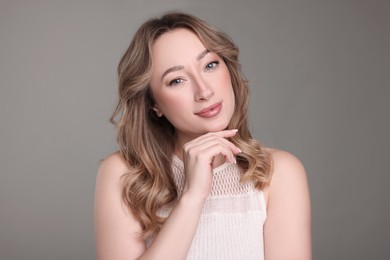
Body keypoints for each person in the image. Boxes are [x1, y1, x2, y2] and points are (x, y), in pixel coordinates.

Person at [94, 12, 311, 260]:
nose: (204, 91)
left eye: (210, 65)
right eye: (177, 80)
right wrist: (191, 198)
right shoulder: (124, 174)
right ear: (155, 105)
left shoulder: (278, 172)